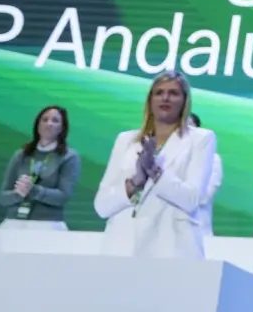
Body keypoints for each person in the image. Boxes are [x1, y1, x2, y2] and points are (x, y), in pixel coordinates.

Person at [93, 71, 219, 258]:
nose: (165, 97)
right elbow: (102, 206)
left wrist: (154, 171)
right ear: (150, 100)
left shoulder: (201, 139)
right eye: (159, 92)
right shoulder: (126, 140)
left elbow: (192, 199)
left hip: (171, 247)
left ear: (185, 101)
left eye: (173, 93)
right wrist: (136, 181)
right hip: (122, 247)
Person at [0, 105, 81, 230]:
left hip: (48, 225)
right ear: (37, 125)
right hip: (13, 222)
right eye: (44, 119)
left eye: (55, 120)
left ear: (62, 128)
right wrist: (18, 194)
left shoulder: (69, 157)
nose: (49, 124)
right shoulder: (21, 154)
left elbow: (63, 196)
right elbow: (2, 197)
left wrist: (34, 190)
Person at [189, 112, 224, 237]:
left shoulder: (213, 160)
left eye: (191, 127)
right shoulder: (168, 156)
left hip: (199, 228)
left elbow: (203, 197)